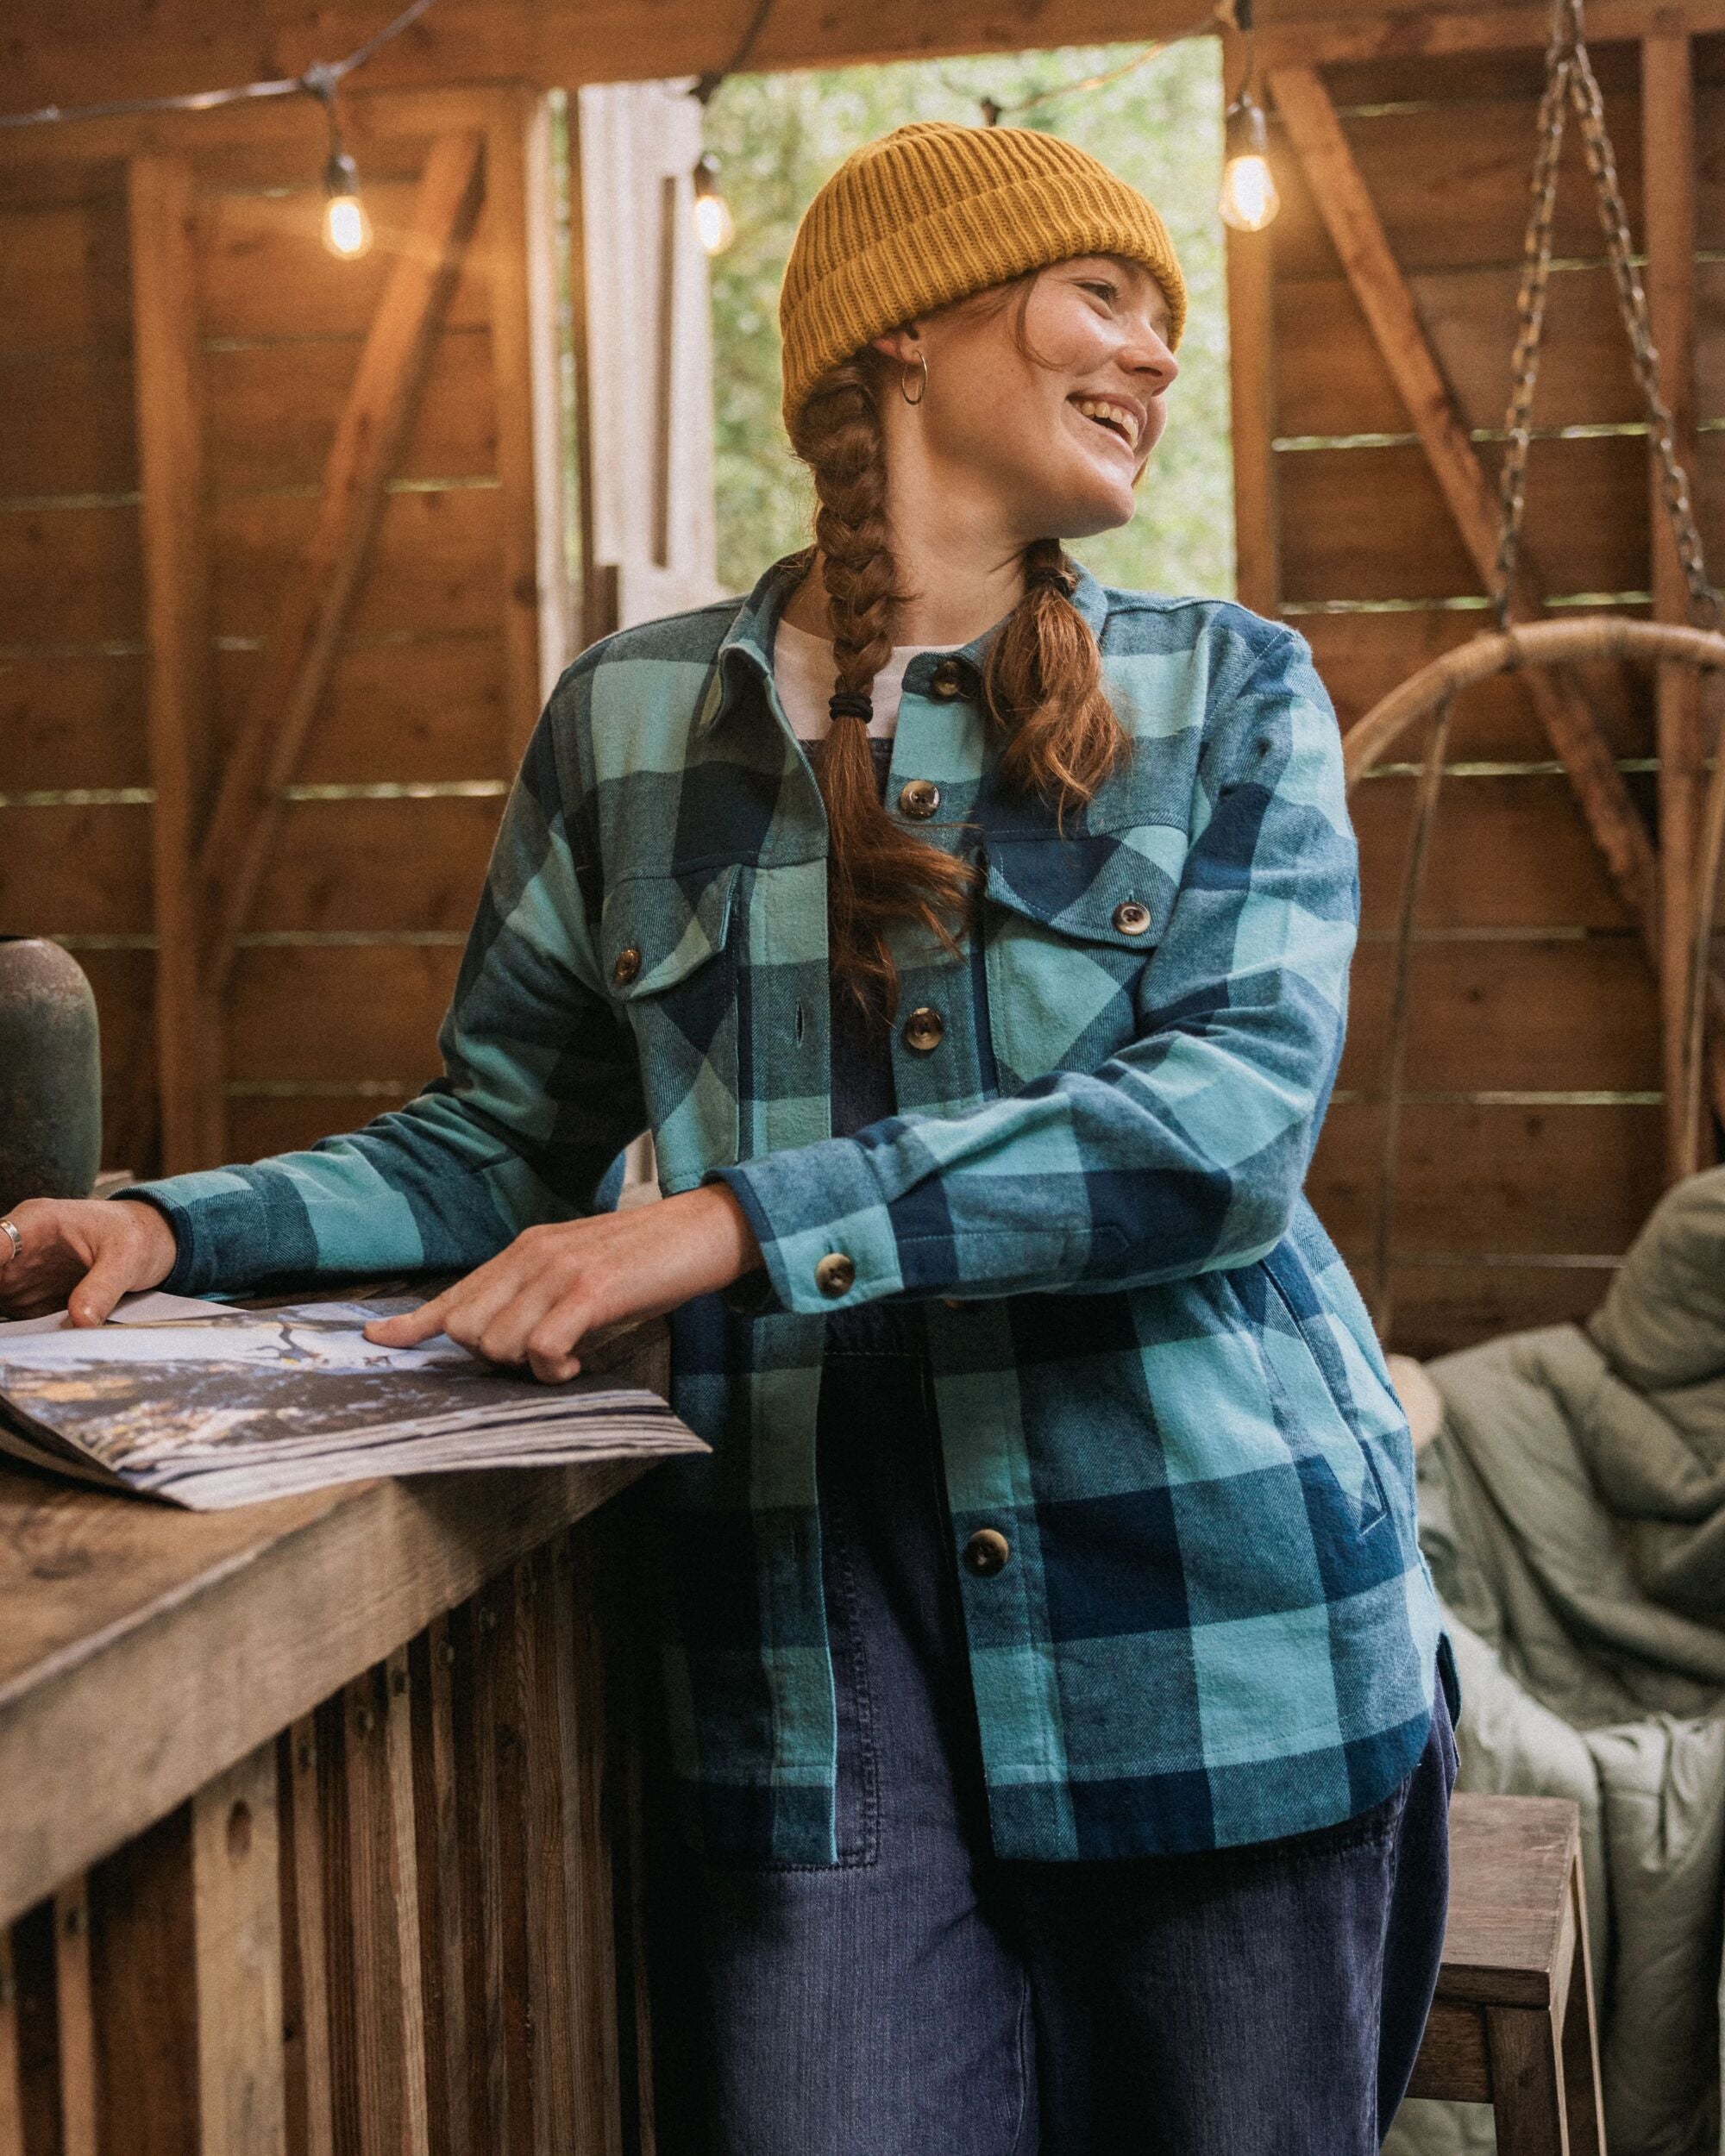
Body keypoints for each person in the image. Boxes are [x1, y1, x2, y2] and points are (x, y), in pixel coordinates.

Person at [0, 121, 1458, 2154]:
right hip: (802, 1669)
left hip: (1220, 1644)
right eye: (1101, 295)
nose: (1154, 351)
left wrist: (731, 1223)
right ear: (907, 328)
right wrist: (177, 1225)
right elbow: (495, 1142)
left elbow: (1219, 1135)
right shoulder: (627, 722)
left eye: (1163, 317)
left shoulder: (1231, 694)